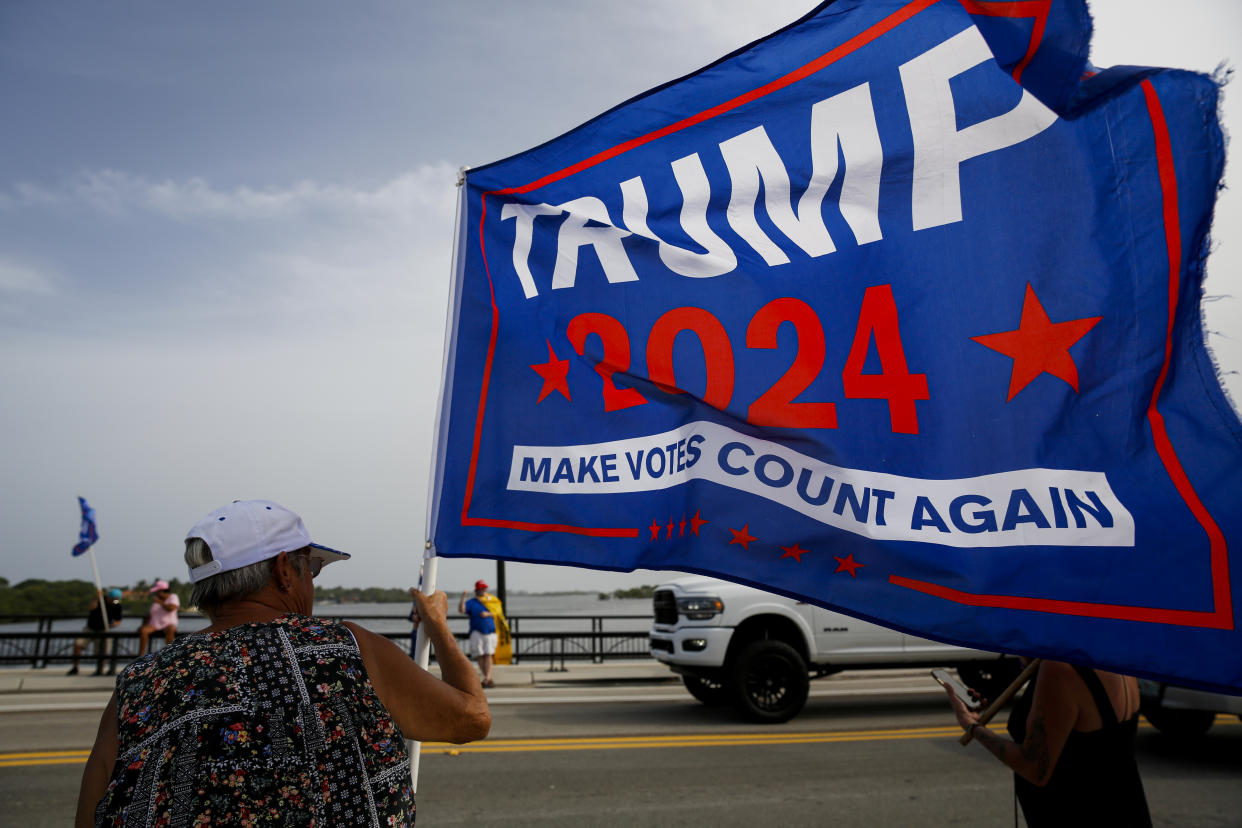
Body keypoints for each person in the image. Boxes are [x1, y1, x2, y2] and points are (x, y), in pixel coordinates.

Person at [75, 499, 489, 827]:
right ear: (283, 572)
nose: (311, 583)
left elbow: (92, 809)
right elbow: (472, 718)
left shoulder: (141, 680)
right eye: (310, 567)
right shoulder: (345, 650)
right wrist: (437, 624)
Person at [945, 658, 1151, 827]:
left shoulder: (1059, 669)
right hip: (1125, 808)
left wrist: (972, 727)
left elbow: (1034, 766)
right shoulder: (1115, 657)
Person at [68, 588, 124, 676]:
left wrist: (111, 625)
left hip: (103, 630)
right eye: (113, 599)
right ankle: (75, 667)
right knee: (78, 644)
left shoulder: (117, 606)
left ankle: (100, 670)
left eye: (116, 599)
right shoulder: (101, 600)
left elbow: (118, 620)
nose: (114, 601)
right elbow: (91, 607)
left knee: (103, 651)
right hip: (90, 629)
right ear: (109, 597)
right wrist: (96, 598)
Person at [459, 580, 499, 687]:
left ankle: (488, 677)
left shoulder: (491, 601)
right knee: (480, 655)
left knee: (489, 654)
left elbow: (498, 613)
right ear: (477, 590)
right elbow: (462, 610)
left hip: (490, 632)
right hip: (477, 631)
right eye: (482, 588)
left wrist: (488, 614)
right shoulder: (472, 602)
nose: (484, 590)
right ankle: (487, 677)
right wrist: (463, 597)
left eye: (485, 588)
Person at [136, 580, 180, 655]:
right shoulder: (156, 600)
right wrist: (143, 625)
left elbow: (171, 608)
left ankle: (169, 653)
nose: (155, 593)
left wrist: (161, 603)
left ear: (162, 591)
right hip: (154, 624)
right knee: (143, 631)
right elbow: (149, 614)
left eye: (157, 591)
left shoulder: (173, 597)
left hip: (168, 624)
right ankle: (141, 655)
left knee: (171, 629)